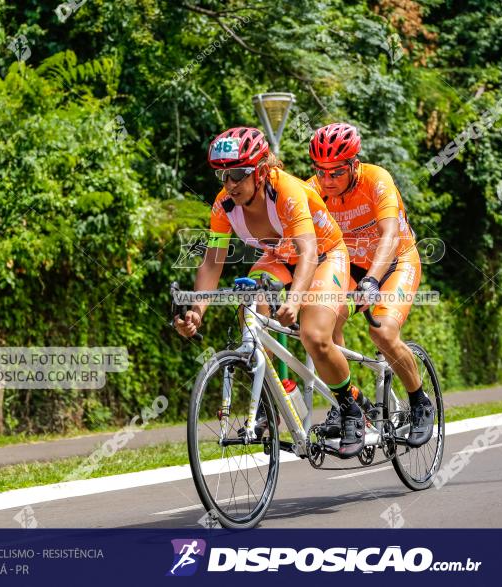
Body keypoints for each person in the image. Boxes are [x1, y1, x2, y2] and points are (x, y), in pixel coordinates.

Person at [174, 127, 367, 457]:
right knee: (250, 308)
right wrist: (196, 311)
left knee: (315, 335)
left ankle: (351, 407)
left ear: (261, 170)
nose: (230, 184)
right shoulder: (224, 206)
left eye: (238, 174)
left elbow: (308, 252)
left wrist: (294, 300)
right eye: (223, 176)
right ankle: (279, 395)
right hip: (280, 258)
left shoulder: (286, 191)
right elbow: (211, 263)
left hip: (322, 255)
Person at [306, 123, 434, 448]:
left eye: (335, 172)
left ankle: (420, 402)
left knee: (382, 333)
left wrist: (374, 280)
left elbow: (389, 236)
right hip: (350, 266)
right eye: (320, 172)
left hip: (394, 261)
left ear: (353, 165)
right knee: (323, 324)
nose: (327, 180)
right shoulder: (312, 190)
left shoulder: (377, 180)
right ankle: (348, 401)